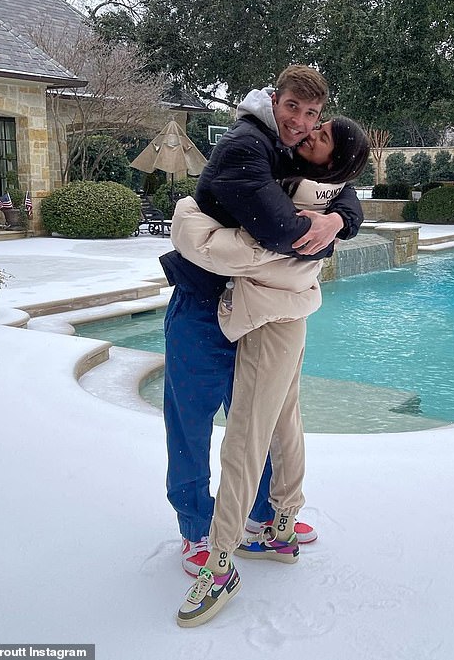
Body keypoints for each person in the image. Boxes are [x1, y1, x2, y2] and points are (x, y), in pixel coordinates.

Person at [159, 67, 363, 578]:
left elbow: (342, 184)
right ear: (276, 100)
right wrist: (318, 231)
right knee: (191, 420)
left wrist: (337, 219)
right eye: (294, 108)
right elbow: (281, 230)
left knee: (259, 417)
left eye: (313, 116)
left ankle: (266, 514)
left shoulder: (288, 145)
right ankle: (195, 527)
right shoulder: (246, 145)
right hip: (202, 302)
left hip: (250, 305)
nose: (303, 123)